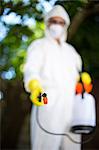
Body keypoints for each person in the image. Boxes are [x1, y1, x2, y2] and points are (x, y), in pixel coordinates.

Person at [23, 5, 82, 150]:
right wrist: (34, 85)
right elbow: (31, 69)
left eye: (60, 22)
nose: (57, 25)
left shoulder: (71, 51)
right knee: (45, 145)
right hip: (47, 102)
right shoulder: (39, 45)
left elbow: (77, 76)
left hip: (71, 106)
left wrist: (81, 83)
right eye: (53, 21)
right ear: (47, 23)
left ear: (65, 25)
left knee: (73, 146)